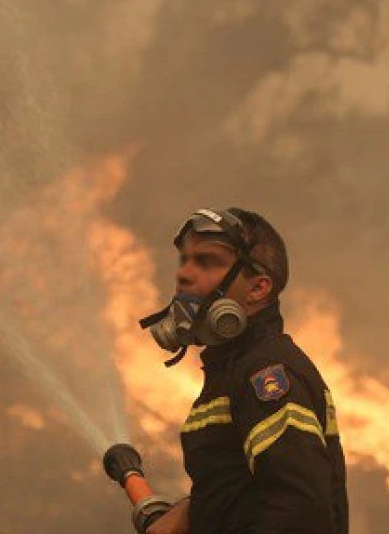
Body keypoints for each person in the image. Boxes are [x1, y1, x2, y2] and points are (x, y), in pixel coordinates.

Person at [140, 207, 348, 534]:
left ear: (257, 289)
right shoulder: (232, 371)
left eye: (207, 262)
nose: (184, 274)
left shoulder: (265, 373)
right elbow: (245, 492)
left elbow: (301, 513)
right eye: (185, 260)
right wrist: (191, 514)